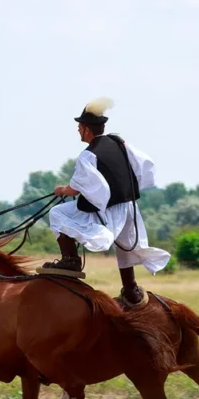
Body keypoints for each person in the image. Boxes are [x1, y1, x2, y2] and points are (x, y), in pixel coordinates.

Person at [39, 97, 171, 307]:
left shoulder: (87, 155)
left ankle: (71, 261)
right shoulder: (119, 142)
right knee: (125, 247)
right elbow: (143, 164)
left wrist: (62, 190)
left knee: (58, 213)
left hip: (109, 209)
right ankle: (131, 290)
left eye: (79, 127)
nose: (78, 131)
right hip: (129, 207)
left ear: (86, 129)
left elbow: (75, 188)